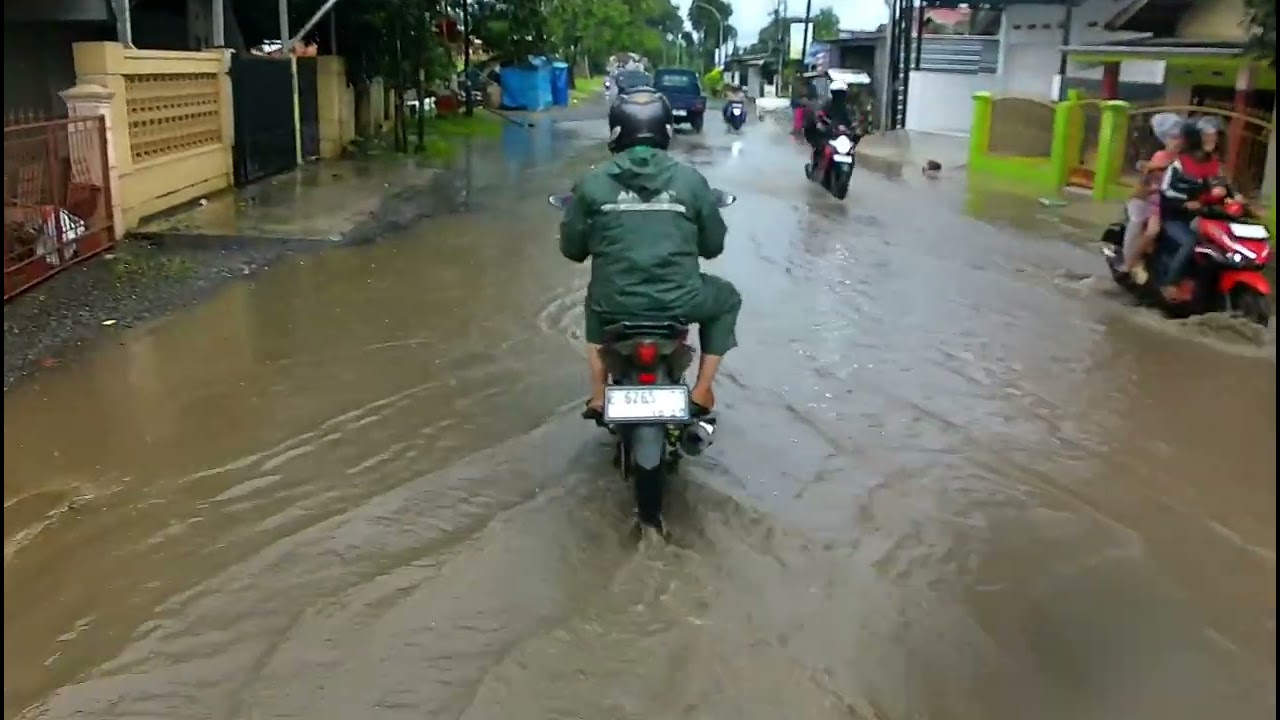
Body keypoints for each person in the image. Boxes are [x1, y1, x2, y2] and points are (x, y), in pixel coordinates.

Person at [559, 90, 743, 417]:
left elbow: (572, 251)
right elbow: (713, 247)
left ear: (616, 130)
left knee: (593, 301)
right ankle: (701, 391)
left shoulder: (591, 183)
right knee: (726, 298)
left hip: (614, 302)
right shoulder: (691, 181)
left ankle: (599, 395)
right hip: (682, 300)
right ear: (666, 130)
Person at [1156, 119, 1240, 300]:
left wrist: (1236, 199)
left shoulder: (1216, 166)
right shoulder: (1179, 164)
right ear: (1195, 137)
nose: (1212, 139)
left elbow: (1227, 192)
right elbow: (1165, 193)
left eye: (1214, 135)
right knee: (1191, 241)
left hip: (1207, 218)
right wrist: (1184, 204)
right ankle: (1169, 283)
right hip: (1176, 218)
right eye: (1206, 135)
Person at [1114, 112, 1183, 282]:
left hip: (1177, 203)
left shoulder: (1185, 159)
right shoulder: (1160, 157)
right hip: (1154, 201)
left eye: (1180, 137)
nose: (1178, 141)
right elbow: (1149, 180)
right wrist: (1154, 181)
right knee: (1152, 230)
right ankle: (1129, 262)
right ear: (1164, 139)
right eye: (1173, 138)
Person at [803, 79, 856, 172]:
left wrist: (853, 128)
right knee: (820, 147)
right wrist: (820, 124)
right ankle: (815, 166)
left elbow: (852, 121)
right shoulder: (826, 105)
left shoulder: (848, 108)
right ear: (833, 93)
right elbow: (818, 116)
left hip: (841, 137)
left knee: (851, 152)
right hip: (828, 134)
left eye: (842, 93)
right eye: (838, 93)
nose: (840, 95)